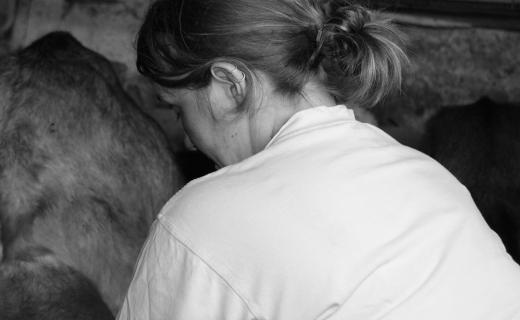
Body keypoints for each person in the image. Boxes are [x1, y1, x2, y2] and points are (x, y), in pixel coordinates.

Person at [117, 0, 520, 319]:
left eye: (177, 109)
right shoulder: (423, 171)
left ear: (230, 85)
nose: (187, 139)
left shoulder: (198, 221)